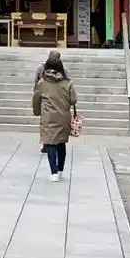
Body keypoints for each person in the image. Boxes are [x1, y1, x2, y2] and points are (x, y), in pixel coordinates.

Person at [32, 48, 77, 180]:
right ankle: (61, 169)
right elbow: (73, 100)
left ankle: (54, 173)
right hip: (63, 116)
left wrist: (37, 111)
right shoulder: (68, 83)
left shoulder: (42, 83)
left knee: (50, 143)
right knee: (61, 143)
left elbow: (36, 99)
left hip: (48, 117)